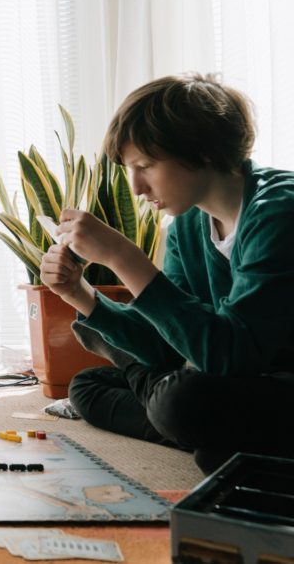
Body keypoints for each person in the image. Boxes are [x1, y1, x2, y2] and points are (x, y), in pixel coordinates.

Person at [40, 72, 294, 474]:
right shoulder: (188, 228)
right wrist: (79, 293)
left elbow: (230, 356)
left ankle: (192, 426)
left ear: (203, 151)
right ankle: (205, 433)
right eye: (130, 169)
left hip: (272, 379)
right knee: (88, 386)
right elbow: (169, 345)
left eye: (146, 165)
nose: (137, 187)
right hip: (228, 379)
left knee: (185, 401)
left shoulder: (279, 212)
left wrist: (125, 257)